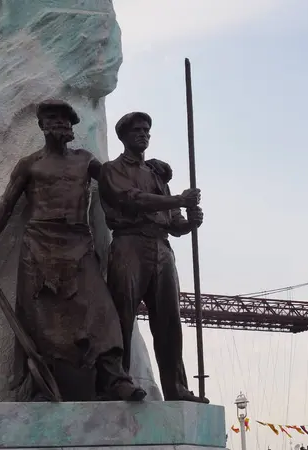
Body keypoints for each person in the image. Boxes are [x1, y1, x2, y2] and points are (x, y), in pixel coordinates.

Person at [0, 100, 146, 402]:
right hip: (39, 246)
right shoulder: (30, 164)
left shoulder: (84, 160)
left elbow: (116, 181)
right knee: (40, 321)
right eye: (52, 118)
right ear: (41, 126)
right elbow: (5, 207)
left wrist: (146, 167)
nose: (60, 123)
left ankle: (114, 379)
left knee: (101, 312)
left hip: (79, 243)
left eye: (65, 119)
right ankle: (42, 385)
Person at [98, 111, 208, 403]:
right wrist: (179, 201)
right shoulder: (112, 170)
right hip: (129, 245)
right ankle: (117, 382)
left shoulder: (157, 175)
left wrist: (190, 220)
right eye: (136, 130)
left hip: (161, 249)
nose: (143, 134)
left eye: (146, 130)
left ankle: (176, 388)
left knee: (170, 322)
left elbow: (174, 224)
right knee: (120, 317)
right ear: (123, 136)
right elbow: (131, 200)